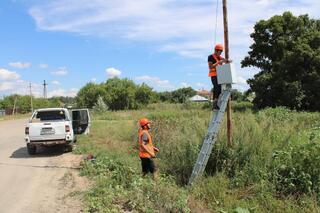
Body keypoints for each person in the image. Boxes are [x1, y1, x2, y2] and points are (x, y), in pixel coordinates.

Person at [208, 44, 231, 109]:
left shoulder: (219, 57)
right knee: (217, 88)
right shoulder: (210, 57)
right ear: (216, 50)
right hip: (213, 75)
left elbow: (225, 60)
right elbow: (210, 67)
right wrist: (218, 62)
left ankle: (216, 103)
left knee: (219, 89)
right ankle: (214, 104)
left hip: (219, 75)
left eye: (221, 52)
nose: (220, 53)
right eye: (220, 52)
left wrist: (228, 61)